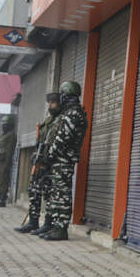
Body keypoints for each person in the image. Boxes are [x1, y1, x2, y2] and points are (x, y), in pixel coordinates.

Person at [38, 81, 88, 241]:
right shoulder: (68, 113)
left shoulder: (74, 114)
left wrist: (49, 156)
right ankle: (54, 226)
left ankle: (61, 228)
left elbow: (62, 139)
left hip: (63, 159)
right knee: (56, 193)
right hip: (59, 159)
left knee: (62, 194)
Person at [15, 92, 62, 234]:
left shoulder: (61, 121)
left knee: (49, 194)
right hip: (40, 162)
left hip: (53, 163)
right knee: (34, 191)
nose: (50, 106)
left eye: (53, 103)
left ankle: (48, 223)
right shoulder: (48, 121)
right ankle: (33, 222)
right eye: (49, 103)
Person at [0, 115, 18, 207]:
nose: (3, 127)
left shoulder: (11, 135)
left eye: (5, 125)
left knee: (3, 181)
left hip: (3, 162)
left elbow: (10, 151)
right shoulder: (3, 135)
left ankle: (2, 200)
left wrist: (7, 163)